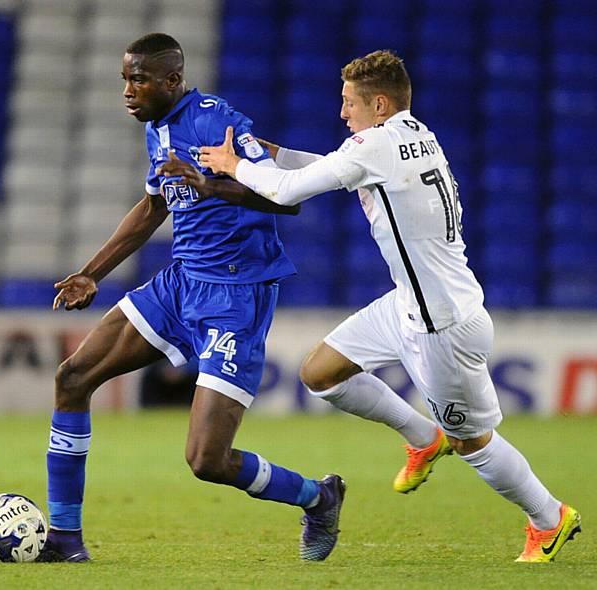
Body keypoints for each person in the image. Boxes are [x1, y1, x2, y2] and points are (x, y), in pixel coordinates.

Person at [193, 49, 581, 563]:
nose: (341, 112)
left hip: (442, 323)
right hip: (409, 302)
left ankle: (549, 517)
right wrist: (268, 150)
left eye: (349, 102)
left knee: (474, 442)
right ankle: (423, 437)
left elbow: (289, 190)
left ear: (378, 103)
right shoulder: (413, 135)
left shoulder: (375, 145)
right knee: (320, 373)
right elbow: (331, 168)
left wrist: (235, 165)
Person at [39, 33, 345, 563]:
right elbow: (154, 205)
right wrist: (92, 273)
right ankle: (66, 541)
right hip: (181, 284)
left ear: (172, 80)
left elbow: (285, 196)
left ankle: (319, 497)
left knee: (207, 460)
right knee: (72, 377)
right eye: (124, 80)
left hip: (235, 296)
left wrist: (209, 184)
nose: (128, 91)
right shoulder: (159, 128)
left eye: (139, 80)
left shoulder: (212, 120)